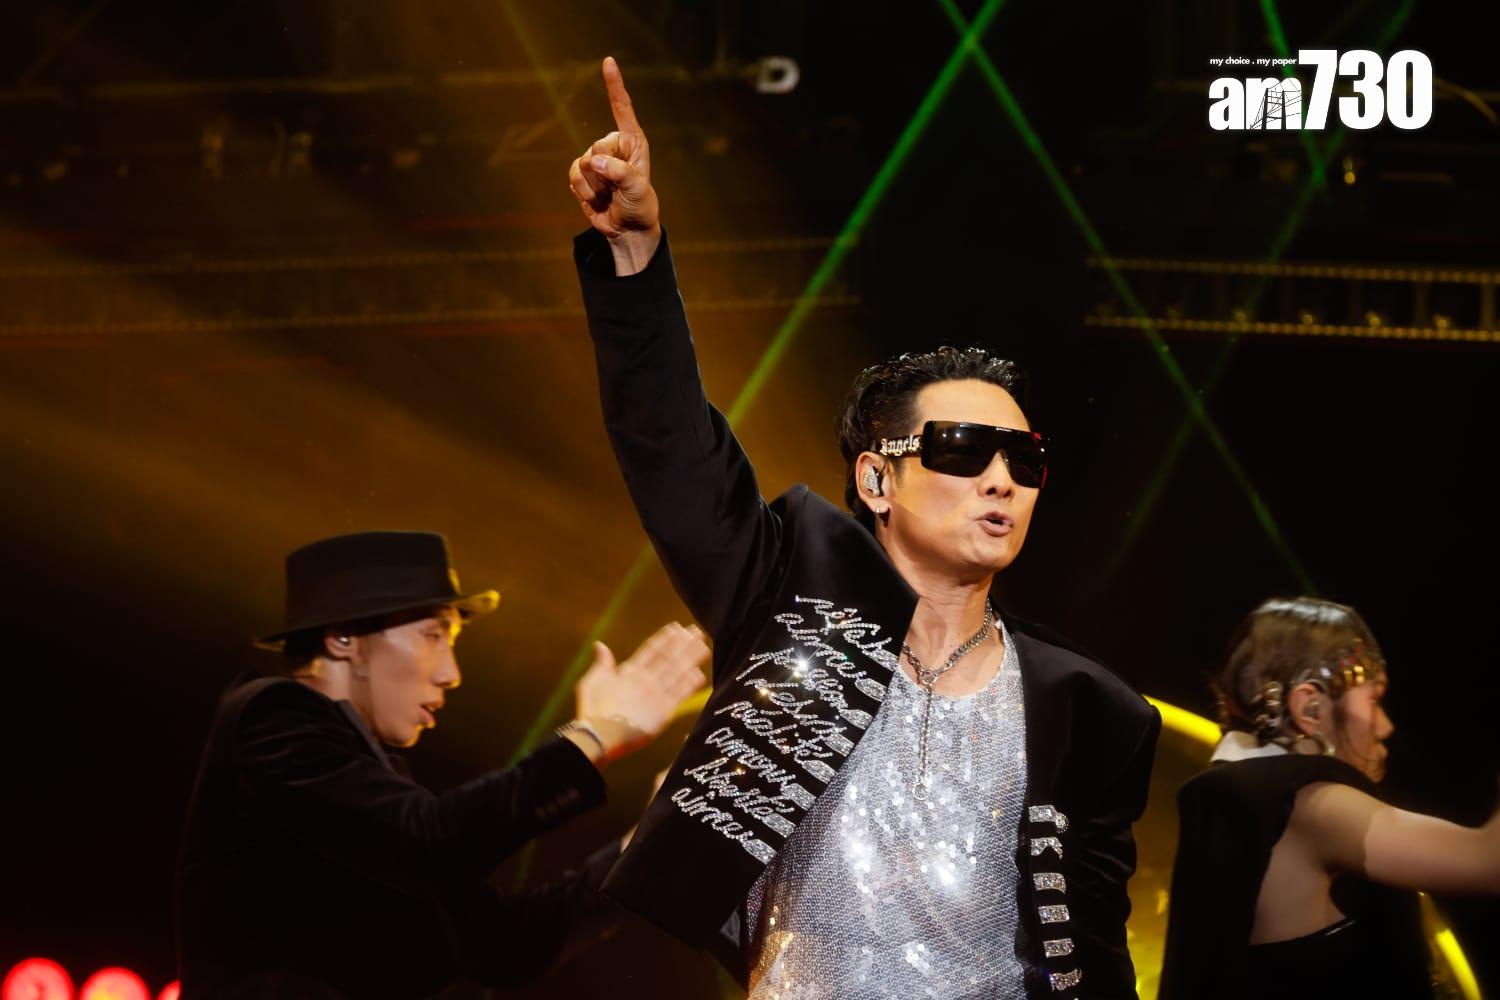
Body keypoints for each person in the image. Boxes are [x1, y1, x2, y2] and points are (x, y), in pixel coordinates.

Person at [565, 58, 1161, 998]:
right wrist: (636, 256)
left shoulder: (1095, 708)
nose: (1001, 478)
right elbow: (673, 450)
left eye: (1025, 459)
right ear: (877, 479)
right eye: (964, 449)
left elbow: (1094, 951)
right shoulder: (787, 612)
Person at [175, 529, 708, 998]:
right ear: (343, 639)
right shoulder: (273, 714)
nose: (451, 673)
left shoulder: (380, 788)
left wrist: (654, 842)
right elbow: (432, 840)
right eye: (433, 635)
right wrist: (597, 734)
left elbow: (508, 946)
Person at [1158, 596, 1500, 999]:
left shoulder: (1241, 799)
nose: (1385, 726)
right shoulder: (1309, 804)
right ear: (1311, 708)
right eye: (1373, 700)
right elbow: (1489, 863)